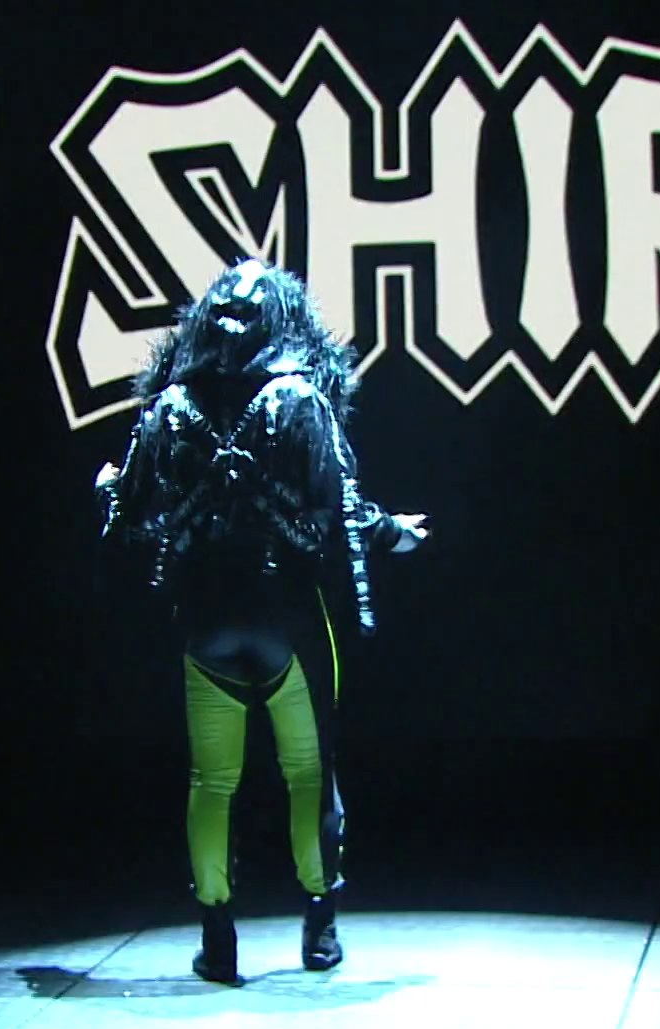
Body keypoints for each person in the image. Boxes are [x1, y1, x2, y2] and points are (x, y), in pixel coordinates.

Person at [95, 257, 428, 985]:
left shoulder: (169, 407)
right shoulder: (301, 400)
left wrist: (108, 487)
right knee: (308, 774)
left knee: (212, 781)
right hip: (288, 622)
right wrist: (391, 533)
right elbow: (339, 511)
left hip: (206, 623)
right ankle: (320, 926)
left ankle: (217, 939)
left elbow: (128, 517)